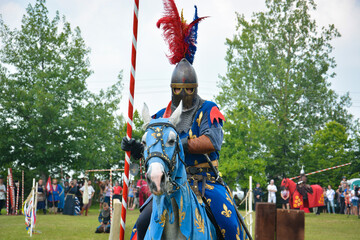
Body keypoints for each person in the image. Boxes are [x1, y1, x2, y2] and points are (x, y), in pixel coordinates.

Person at [121, 5, 245, 238]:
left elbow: (212, 141)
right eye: (178, 88)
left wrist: (179, 143)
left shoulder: (208, 109)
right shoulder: (161, 117)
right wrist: (138, 148)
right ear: (172, 88)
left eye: (188, 88)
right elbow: (153, 149)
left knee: (229, 225)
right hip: (169, 186)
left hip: (205, 183)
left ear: (195, 88)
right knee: (140, 226)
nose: (183, 93)